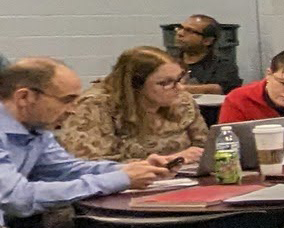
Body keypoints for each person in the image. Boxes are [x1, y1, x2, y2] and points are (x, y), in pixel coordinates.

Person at [1, 58, 169, 219]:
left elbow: (66, 170)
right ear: (24, 97)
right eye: (67, 100)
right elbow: (17, 198)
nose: (73, 110)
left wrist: (132, 169)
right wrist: (119, 179)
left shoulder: (36, 129)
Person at [58, 47, 207, 164]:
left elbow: (206, 146)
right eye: (165, 83)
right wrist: (171, 160)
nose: (179, 88)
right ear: (135, 86)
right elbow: (89, 163)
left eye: (179, 79)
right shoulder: (96, 106)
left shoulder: (182, 102)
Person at [170, 14, 242, 95]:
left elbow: (220, 89)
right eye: (180, 28)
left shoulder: (223, 66)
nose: (180, 33)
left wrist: (182, 88)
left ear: (207, 41)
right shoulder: (166, 61)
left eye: (189, 31)